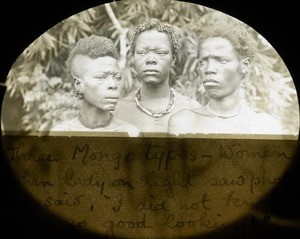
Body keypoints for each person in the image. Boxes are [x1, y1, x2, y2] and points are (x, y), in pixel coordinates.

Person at [168, 20, 284, 137]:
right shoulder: (183, 123)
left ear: (244, 65)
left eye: (221, 61)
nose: (209, 69)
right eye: (203, 61)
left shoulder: (265, 127)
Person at [113, 18, 201, 135]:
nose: (150, 60)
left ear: (173, 59)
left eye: (160, 53)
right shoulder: (117, 111)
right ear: (133, 57)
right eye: (142, 52)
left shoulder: (192, 109)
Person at [49, 34, 140, 137]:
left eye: (117, 77)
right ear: (78, 85)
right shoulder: (61, 134)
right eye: (101, 77)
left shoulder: (131, 134)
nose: (113, 85)